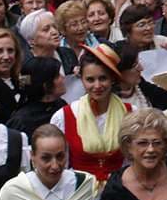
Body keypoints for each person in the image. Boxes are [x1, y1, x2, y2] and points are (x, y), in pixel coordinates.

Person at [54, 45, 131, 182]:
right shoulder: (63, 116)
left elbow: (132, 161)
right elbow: (60, 165)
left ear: (112, 78)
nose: (97, 86)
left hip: (120, 188)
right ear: (81, 79)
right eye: (90, 80)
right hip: (78, 190)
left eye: (103, 78)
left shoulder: (130, 113)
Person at [8, 56, 66, 139]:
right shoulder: (21, 121)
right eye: (57, 76)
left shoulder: (61, 105)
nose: (63, 77)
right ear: (46, 85)